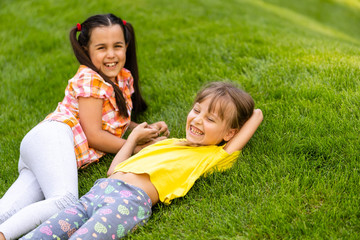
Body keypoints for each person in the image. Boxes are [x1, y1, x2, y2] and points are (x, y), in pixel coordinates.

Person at [20, 82, 263, 240]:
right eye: (197, 110)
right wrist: (133, 137)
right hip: (97, 192)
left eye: (211, 119)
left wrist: (235, 106)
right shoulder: (167, 143)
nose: (198, 120)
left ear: (229, 133)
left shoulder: (213, 156)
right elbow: (113, 171)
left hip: (129, 202)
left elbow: (256, 116)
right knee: (42, 234)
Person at [0, 13, 168, 240]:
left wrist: (144, 130)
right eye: (101, 48)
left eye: (117, 46)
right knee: (65, 200)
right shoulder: (91, 79)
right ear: (85, 50)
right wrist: (135, 146)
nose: (111, 54)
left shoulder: (120, 77)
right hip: (54, 137)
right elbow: (95, 135)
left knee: (10, 207)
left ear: (126, 46)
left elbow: (115, 121)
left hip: (46, 146)